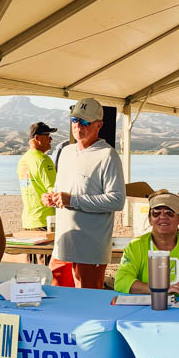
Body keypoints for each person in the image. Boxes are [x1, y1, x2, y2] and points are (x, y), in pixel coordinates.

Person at [43, 98, 125, 289]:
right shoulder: (66, 152)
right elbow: (62, 189)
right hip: (61, 247)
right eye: (75, 120)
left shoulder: (108, 155)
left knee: (87, 306)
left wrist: (73, 200)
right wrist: (52, 196)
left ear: (99, 125)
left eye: (86, 122)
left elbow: (117, 200)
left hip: (90, 251)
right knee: (56, 301)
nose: (79, 126)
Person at [114, 190, 179, 297]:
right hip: (149, 308)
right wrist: (160, 289)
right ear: (150, 219)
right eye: (156, 213)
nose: (163, 217)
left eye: (170, 213)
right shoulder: (136, 246)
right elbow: (121, 281)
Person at [17, 122, 58, 230]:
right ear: (37, 138)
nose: (51, 139)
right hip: (46, 221)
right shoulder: (43, 160)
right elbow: (54, 191)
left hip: (28, 221)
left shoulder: (23, 160)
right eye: (48, 136)